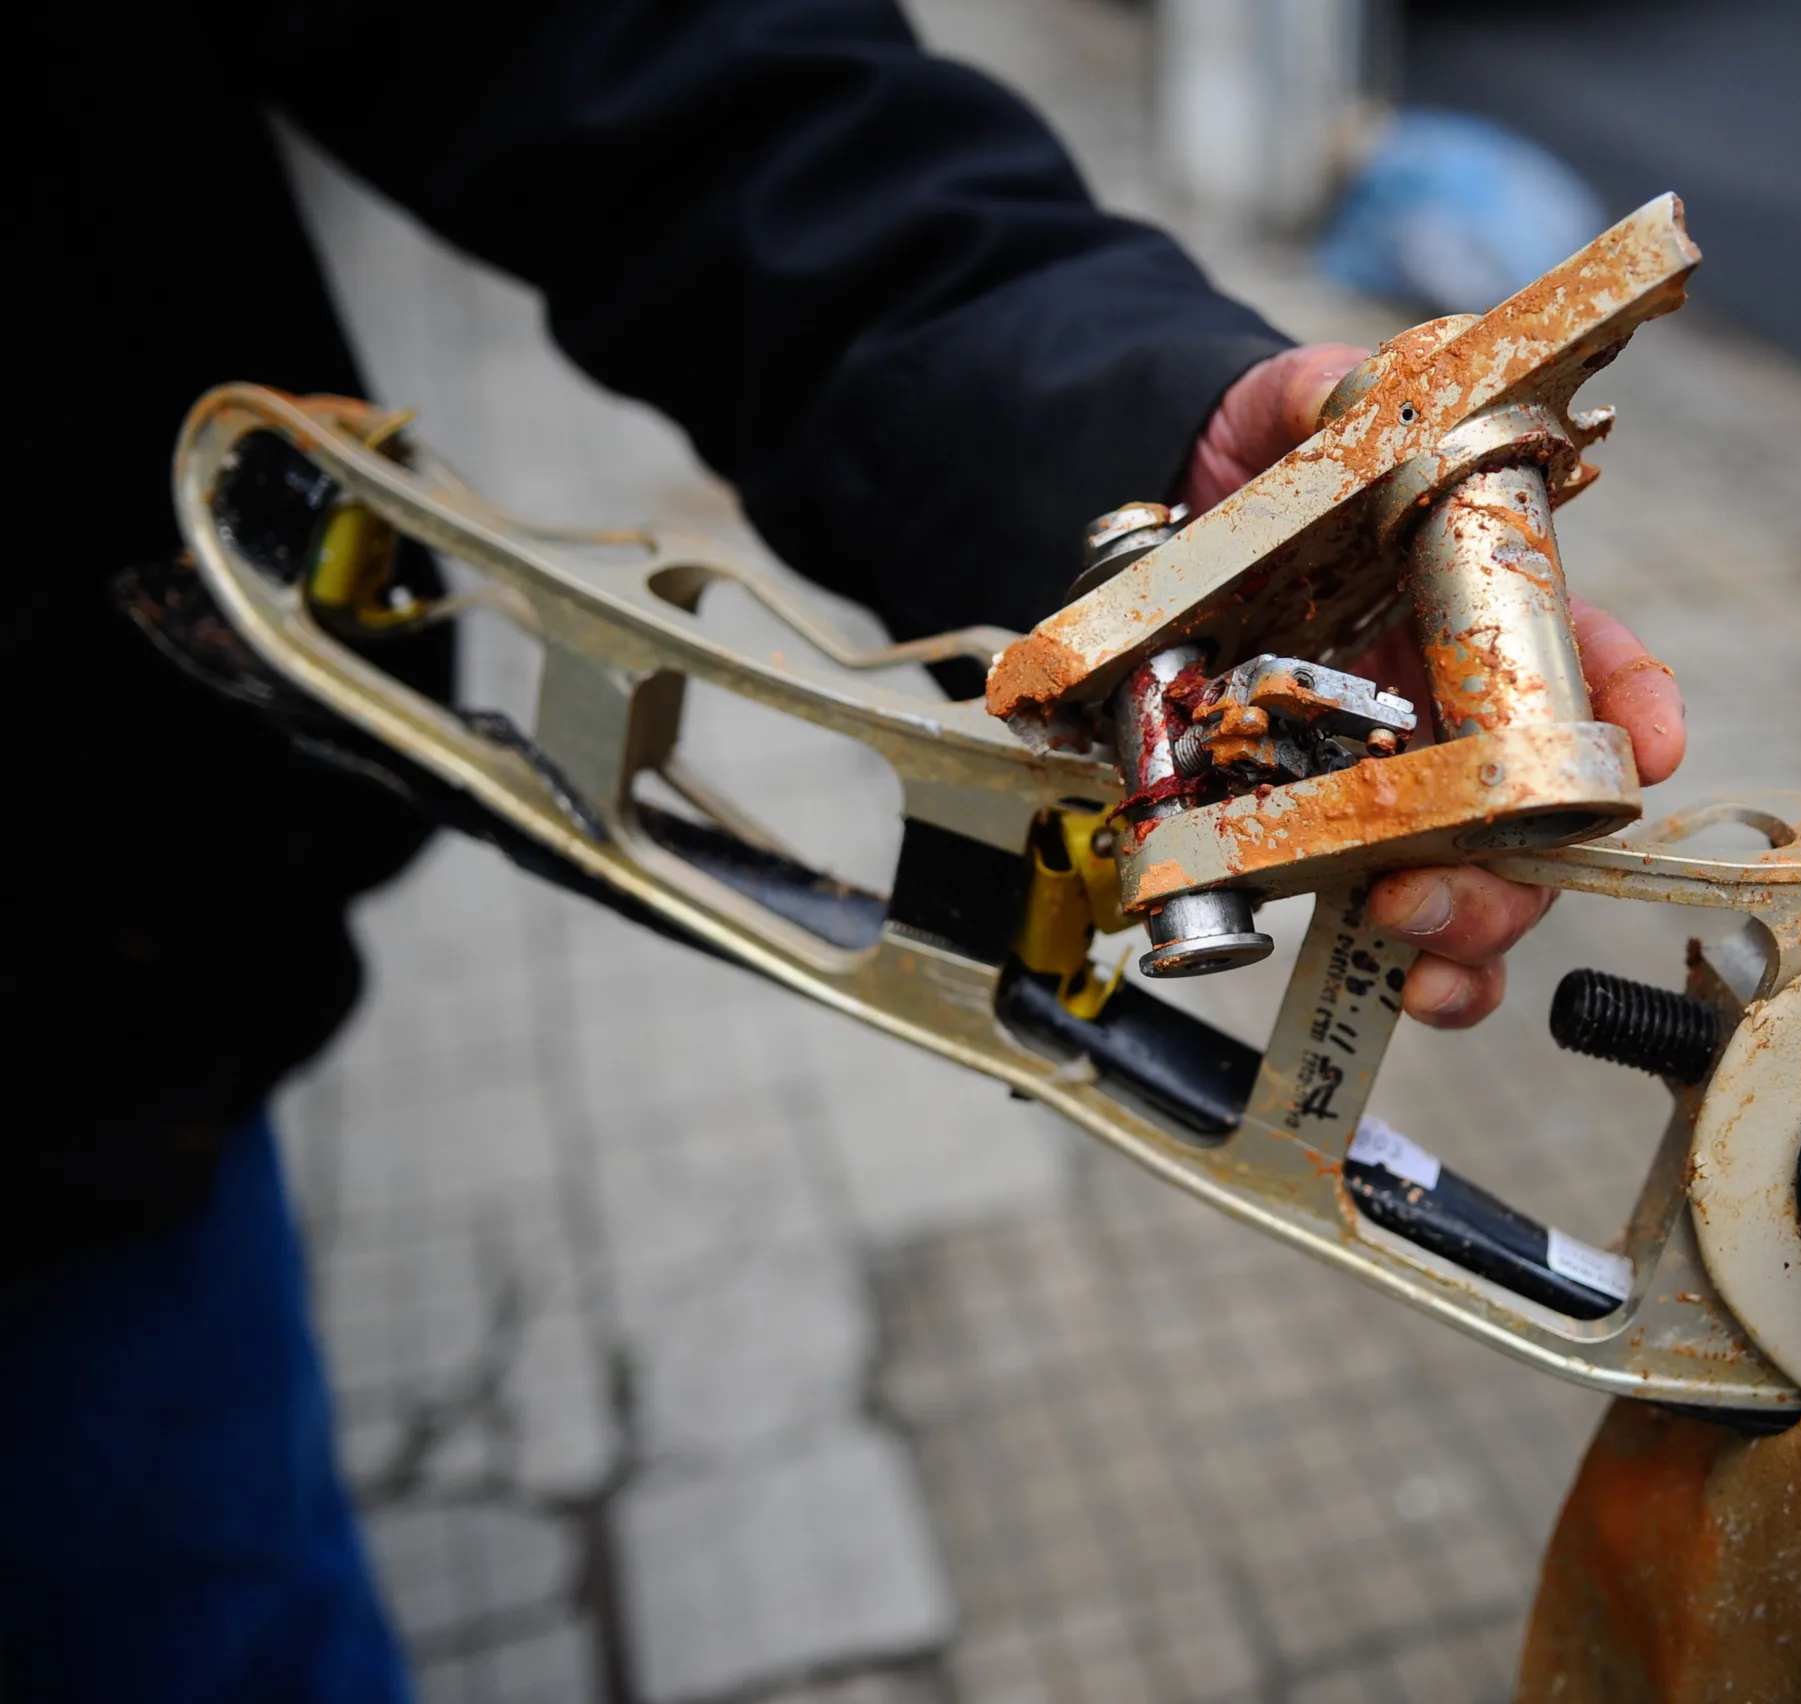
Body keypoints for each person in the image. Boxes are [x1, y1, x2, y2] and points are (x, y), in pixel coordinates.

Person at [4, 2, 1685, 1697]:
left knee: (197, 1601)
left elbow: (679, 84)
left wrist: (1145, 463)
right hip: (102, 1008)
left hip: (90, 1103)